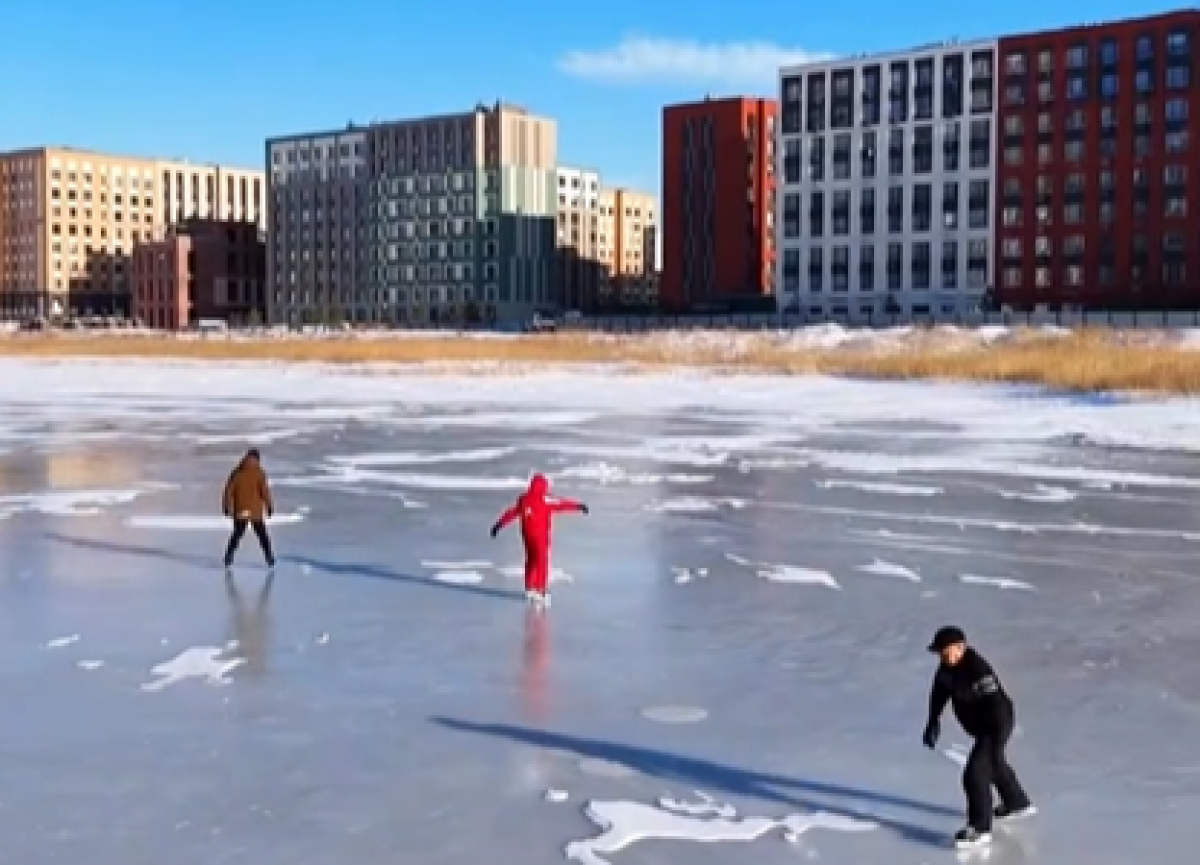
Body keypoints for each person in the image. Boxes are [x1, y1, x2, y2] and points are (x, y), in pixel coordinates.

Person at [922, 625, 1035, 850]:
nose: (942, 657)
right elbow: (939, 691)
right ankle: (1017, 803)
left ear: (960, 648)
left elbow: (996, 705)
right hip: (980, 727)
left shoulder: (977, 669)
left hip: (995, 724)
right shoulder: (947, 667)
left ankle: (980, 828)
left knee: (975, 774)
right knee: (995, 765)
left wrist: (990, 739)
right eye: (940, 653)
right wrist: (933, 720)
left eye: (945, 652)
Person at [490, 473, 587, 606]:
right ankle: (541, 589)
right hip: (540, 536)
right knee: (541, 560)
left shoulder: (524, 499)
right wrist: (578, 506)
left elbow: (512, 512)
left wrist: (499, 524)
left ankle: (530, 587)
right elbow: (562, 504)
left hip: (527, 535)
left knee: (530, 559)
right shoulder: (546, 499)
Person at [221, 448, 276, 569]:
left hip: (240, 510)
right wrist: (269, 506)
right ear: (257, 459)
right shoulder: (259, 472)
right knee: (262, 535)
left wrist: (226, 506)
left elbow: (228, 491)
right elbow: (265, 492)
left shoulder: (236, 472)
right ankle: (269, 558)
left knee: (237, 534)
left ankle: (228, 557)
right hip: (255, 511)